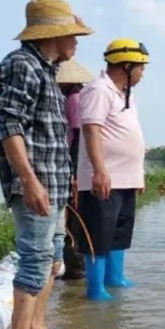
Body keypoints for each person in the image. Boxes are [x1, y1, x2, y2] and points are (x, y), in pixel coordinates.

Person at [0, 0, 93, 329]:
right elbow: (9, 124)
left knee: (51, 258)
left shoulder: (45, 69)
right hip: (36, 183)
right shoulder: (22, 66)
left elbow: (49, 136)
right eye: (72, 35)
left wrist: (65, 182)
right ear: (54, 35)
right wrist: (30, 181)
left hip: (54, 181)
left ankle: (35, 326)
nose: (77, 42)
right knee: (34, 259)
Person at [76, 38, 149, 301]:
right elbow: (91, 130)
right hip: (104, 177)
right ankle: (95, 289)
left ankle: (114, 278)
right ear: (126, 65)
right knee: (98, 233)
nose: (143, 73)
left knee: (119, 231)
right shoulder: (99, 90)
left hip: (126, 178)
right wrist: (99, 170)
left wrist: (137, 174)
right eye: (141, 67)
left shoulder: (125, 94)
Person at [56, 58, 94, 280]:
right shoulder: (79, 97)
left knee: (73, 218)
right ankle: (77, 266)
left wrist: (74, 173)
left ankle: (75, 268)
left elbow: (78, 137)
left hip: (74, 168)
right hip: (76, 167)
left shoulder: (73, 99)